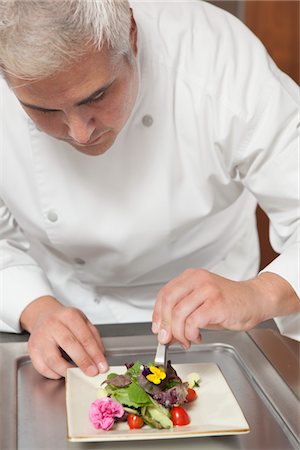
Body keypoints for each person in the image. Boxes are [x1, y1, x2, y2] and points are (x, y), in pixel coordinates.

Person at [0, 0, 299, 380]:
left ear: (132, 35)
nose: (80, 132)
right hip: (61, 318)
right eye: (44, 110)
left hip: (221, 317)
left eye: (95, 97)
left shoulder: (216, 58)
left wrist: (261, 293)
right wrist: (36, 309)